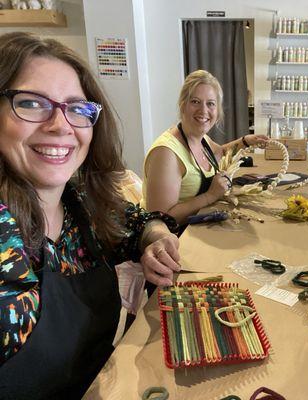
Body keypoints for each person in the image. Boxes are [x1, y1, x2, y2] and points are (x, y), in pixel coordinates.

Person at [0, 32, 181, 398]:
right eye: (32, 103)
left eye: (77, 108)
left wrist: (157, 239)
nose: (60, 125)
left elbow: (138, 224)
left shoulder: (81, 203)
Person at [142, 69, 269, 226]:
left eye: (210, 104)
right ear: (182, 105)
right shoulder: (166, 153)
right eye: (195, 102)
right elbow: (159, 220)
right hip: (172, 240)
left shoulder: (201, 139)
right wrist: (210, 196)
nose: (203, 110)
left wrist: (246, 141)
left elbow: (221, 153)